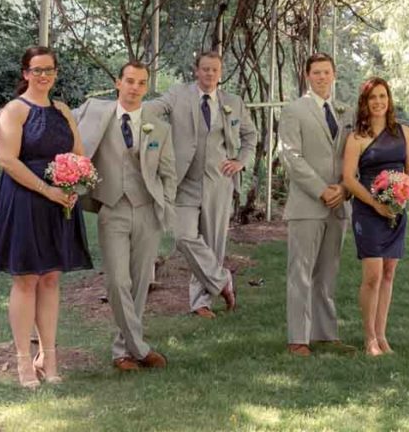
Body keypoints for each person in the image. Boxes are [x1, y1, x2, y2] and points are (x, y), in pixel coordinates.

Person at [0, 46, 93, 388]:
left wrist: (74, 182)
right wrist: (47, 190)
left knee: (51, 278)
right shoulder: (15, 110)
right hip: (25, 200)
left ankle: (49, 357)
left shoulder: (63, 110)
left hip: (59, 202)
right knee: (26, 278)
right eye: (37, 70)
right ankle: (22, 360)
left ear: (55, 73)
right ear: (26, 73)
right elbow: (7, 160)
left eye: (49, 70)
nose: (43, 75)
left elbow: (78, 153)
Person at [75, 61, 177, 371]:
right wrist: (6, 114)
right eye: (130, 81)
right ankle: (140, 348)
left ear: (146, 87)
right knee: (117, 281)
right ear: (118, 83)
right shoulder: (96, 112)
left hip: (147, 209)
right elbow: (58, 116)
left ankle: (122, 351)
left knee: (140, 282)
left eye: (141, 83)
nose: (135, 87)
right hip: (112, 207)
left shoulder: (159, 127)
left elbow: (169, 173)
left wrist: (165, 205)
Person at [152, 51, 258, 318]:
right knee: (183, 236)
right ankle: (222, 280)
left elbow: (250, 135)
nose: (210, 74)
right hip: (184, 181)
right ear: (196, 71)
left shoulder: (232, 102)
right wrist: (129, 108)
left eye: (215, 70)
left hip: (218, 181)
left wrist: (240, 161)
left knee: (212, 244)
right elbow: (156, 107)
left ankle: (201, 302)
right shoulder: (179, 94)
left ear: (220, 73)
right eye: (205, 69)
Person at [278, 53, 352, 356]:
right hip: (308, 204)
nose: (322, 77)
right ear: (308, 76)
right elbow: (290, 157)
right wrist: (322, 190)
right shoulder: (294, 110)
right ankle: (298, 338)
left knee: (328, 271)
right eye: (316, 72)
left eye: (326, 72)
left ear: (334, 75)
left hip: (339, 203)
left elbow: (353, 156)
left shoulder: (346, 111)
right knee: (301, 272)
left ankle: (324, 333)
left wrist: (344, 189)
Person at [342, 77, 409, 357]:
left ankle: (382, 335)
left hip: (395, 211)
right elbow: (349, 179)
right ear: (365, 102)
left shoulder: (403, 132)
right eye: (372, 97)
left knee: (388, 273)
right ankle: (369, 338)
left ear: (389, 100)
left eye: (382, 96)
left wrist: (400, 199)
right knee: (372, 275)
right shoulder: (356, 138)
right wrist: (376, 204)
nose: (378, 102)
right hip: (368, 211)